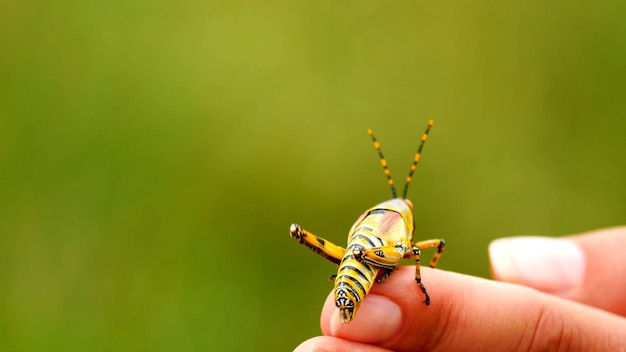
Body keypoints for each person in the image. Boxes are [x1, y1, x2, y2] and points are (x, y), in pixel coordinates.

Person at [294, 227, 626, 351]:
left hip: (355, 258)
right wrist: (421, 281)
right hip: (361, 258)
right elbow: (421, 249)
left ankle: (351, 275)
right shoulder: (395, 228)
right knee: (417, 249)